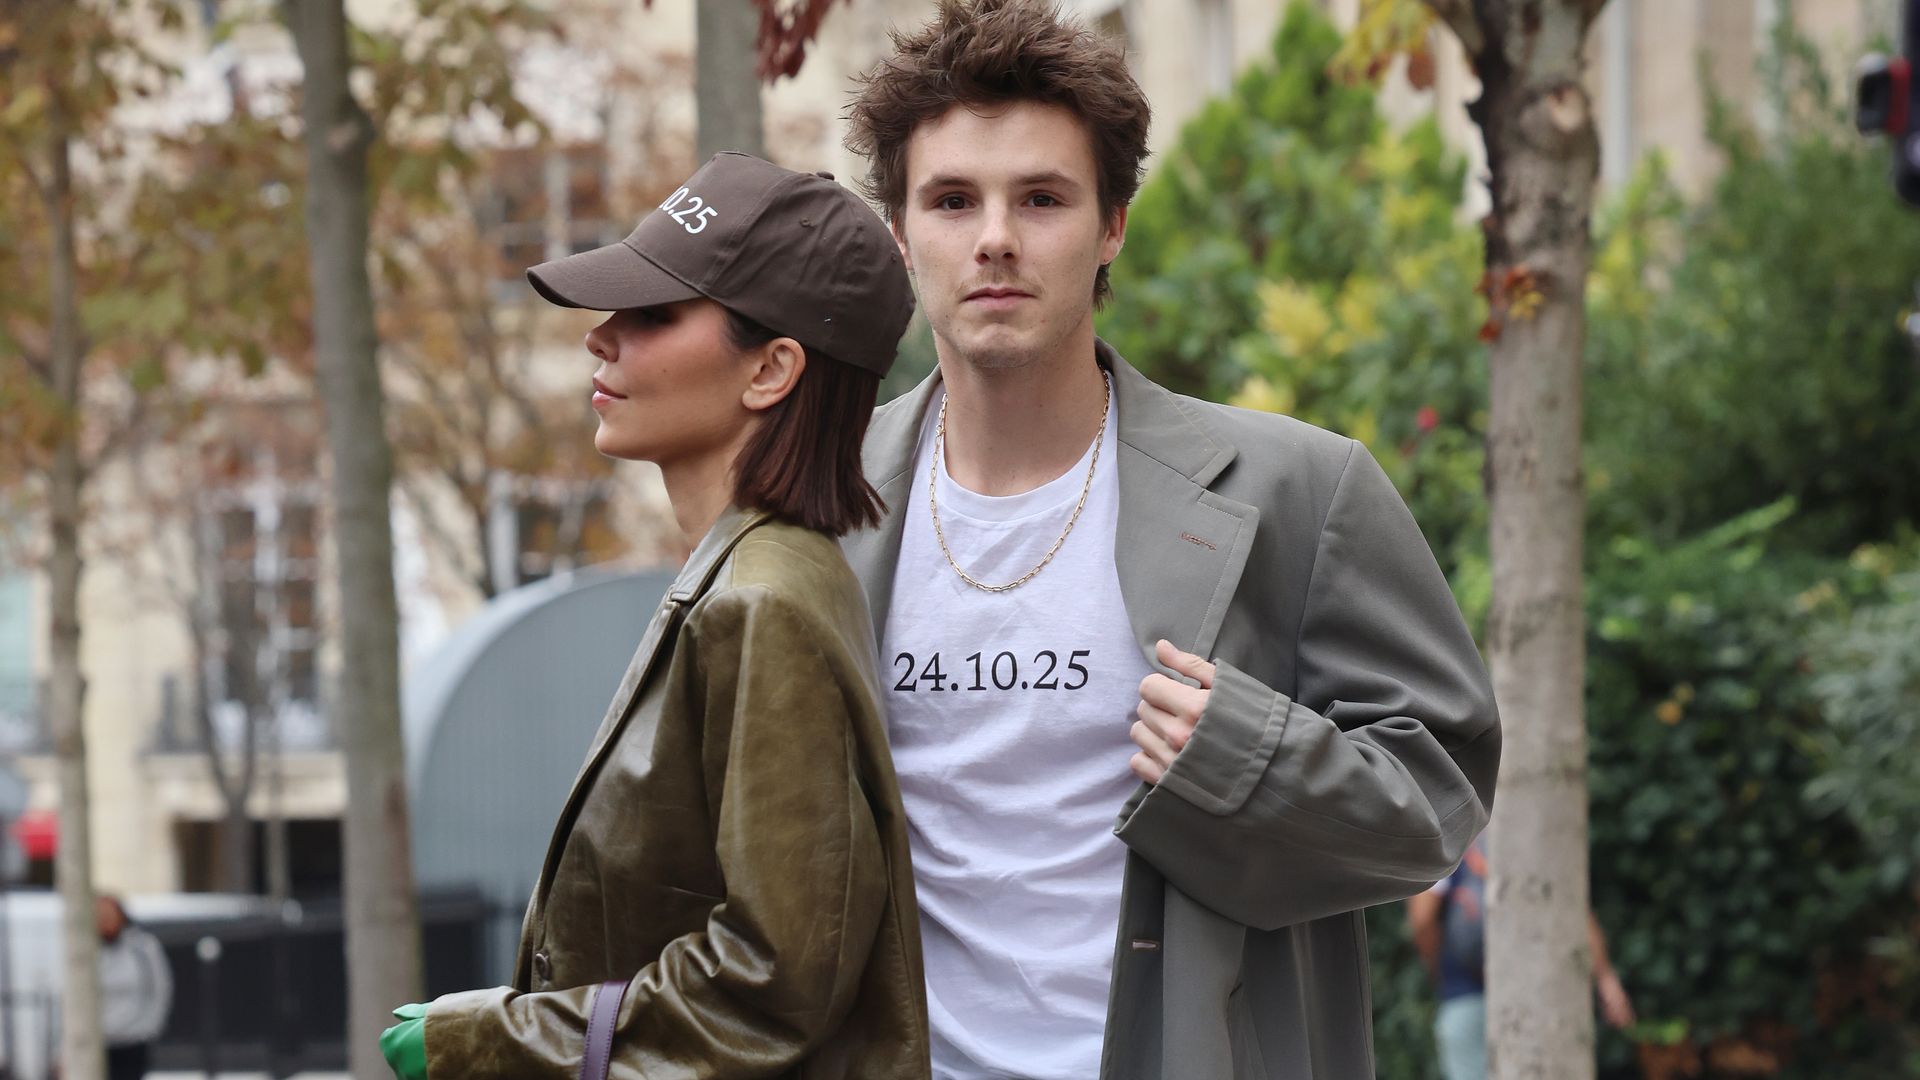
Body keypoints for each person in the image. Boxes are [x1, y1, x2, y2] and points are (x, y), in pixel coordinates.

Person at [836, 2, 1501, 1076]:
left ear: (1113, 226)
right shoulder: (828, 506)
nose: (994, 237)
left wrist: (1249, 758)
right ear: (902, 233)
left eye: (1041, 198)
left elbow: (1440, 796)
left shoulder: (1300, 488)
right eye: (953, 199)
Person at [378, 152, 929, 1080]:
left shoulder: (766, 600)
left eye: (653, 315)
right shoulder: (748, 577)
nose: (603, 339)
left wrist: (495, 1042)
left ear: (771, 369)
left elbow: (776, 980)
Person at [1407, 834, 1637, 1080]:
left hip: (1465, 991)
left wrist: (1439, 970)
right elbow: (1574, 909)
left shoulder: (1449, 837)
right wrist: (1605, 978)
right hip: (1536, 991)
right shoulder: (1537, 836)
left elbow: (1422, 921)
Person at [96, 894, 173, 1080]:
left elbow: (160, 988)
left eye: (109, 914)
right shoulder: (83, 951)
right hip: (97, 1041)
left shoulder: (142, 947)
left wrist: (150, 1027)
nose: (105, 920)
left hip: (133, 1039)